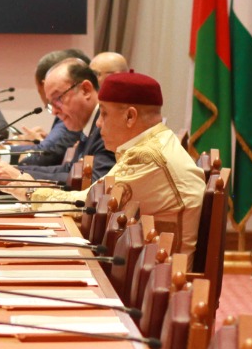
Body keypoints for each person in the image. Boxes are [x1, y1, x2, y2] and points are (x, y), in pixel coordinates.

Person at [72, 71, 203, 264]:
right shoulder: (157, 142)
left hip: (160, 273)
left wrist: (29, 195)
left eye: (104, 113)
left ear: (130, 116)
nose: (98, 123)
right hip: (154, 265)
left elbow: (86, 204)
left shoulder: (147, 157)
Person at [0, 57, 113, 187]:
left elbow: (94, 182)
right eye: (50, 104)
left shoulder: (107, 127)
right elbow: (69, 170)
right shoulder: (89, 124)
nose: (54, 111)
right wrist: (15, 171)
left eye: (58, 99)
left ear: (86, 90)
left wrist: (20, 176)